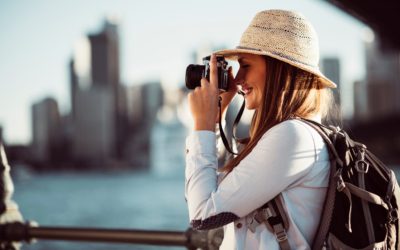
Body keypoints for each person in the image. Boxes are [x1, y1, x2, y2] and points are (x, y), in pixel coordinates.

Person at [185, 10, 337, 249]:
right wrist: (216, 121)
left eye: (245, 66)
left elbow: (202, 215)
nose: (237, 80)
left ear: (280, 69)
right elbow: (207, 192)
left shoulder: (292, 136)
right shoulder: (290, 135)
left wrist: (203, 126)